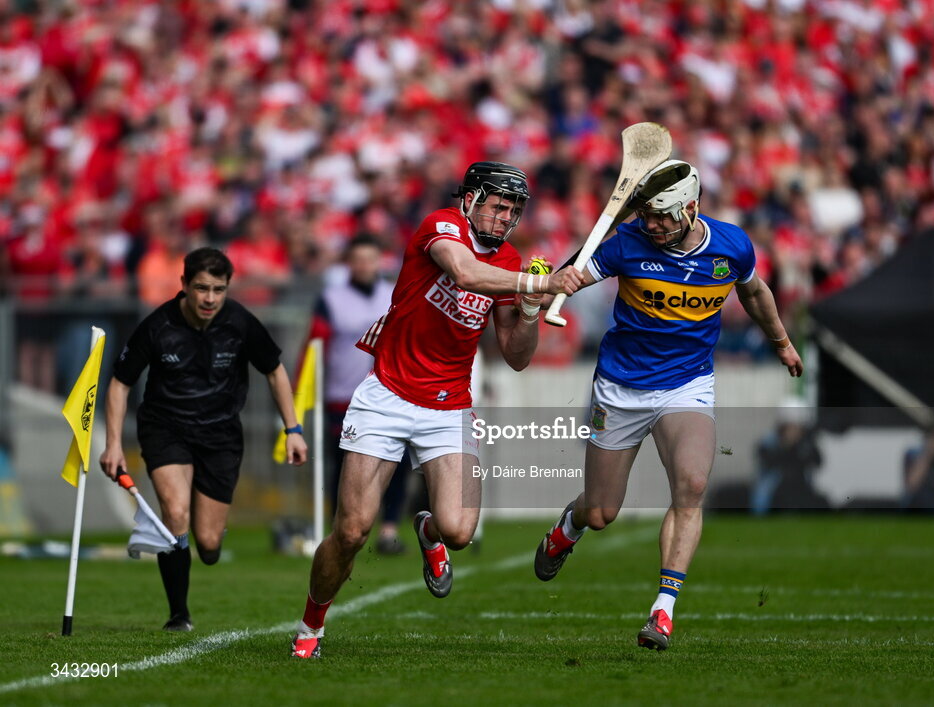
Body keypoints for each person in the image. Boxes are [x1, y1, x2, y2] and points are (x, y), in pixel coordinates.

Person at [290, 161, 584, 659]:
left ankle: (427, 530)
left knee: (460, 531)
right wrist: (540, 285)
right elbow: (465, 271)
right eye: (497, 204)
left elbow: (516, 355)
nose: (504, 215)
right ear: (470, 199)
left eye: (513, 209)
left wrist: (530, 309)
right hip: (386, 394)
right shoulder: (441, 225)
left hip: (450, 407)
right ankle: (311, 625)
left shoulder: (511, 261)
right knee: (352, 530)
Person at [532, 160, 803, 651]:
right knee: (600, 512)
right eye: (646, 215)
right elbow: (569, 275)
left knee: (693, 484)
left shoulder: (731, 246)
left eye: (661, 216)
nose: (650, 224)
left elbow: (756, 292)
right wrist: (563, 281)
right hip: (621, 385)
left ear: (691, 208)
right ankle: (567, 528)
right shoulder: (625, 242)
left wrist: (781, 342)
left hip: (688, 384)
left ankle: (663, 610)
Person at [99, 247, 308, 631]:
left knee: (209, 545)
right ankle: (179, 614)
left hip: (221, 434)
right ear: (183, 286)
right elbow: (120, 383)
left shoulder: (240, 322)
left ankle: (207, 539)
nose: (209, 298)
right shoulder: (157, 326)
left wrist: (293, 429)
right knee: (174, 514)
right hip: (166, 429)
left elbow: (275, 371)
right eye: (201, 288)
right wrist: (113, 443)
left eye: (218, 289)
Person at [304, 234, 410, 554]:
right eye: (358, 259)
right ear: (348, 263)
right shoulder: (331, 299)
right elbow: (313, 346)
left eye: (370, 259)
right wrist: (305, 391)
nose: (364, 265)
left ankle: (388, 528)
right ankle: (342, 529)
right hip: (342, 395)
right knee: (342, 464)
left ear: (380, 261)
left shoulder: (395, 294)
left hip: (389, 392)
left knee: (398, 459)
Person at [750, 397, 829, 515]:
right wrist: (787, 446)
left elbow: (818, 461)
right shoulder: (769, 441)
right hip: (773, 490)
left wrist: (803, 448)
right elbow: (766, 460)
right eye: (791, 427)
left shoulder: (806, 444)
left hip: (801, 488)